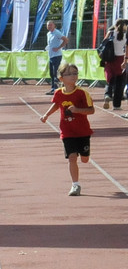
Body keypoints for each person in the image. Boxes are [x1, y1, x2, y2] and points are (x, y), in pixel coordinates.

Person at [40, 62, 93, 196]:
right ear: (61, 78)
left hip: (82, 132)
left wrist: (77, 110)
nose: (73, 76)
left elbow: (91, 110)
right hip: (67, 131)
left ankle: (85, 155)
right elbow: (56, 105)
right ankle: (75, 185)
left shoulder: (82, 93)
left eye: (75, 73)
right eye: (69, 74)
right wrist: (46, 115)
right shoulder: (58, 93)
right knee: (72, 157)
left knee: (85, 159)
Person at [102, 19, 127, 110]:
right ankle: (117, 105)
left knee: (110, 79)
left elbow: (103, 45)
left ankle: (108, 94)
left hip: (110, 58)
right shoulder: (125, 35)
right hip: (121, 59)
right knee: (120, 82)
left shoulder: (111, 33)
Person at [44, 21, 68, 95]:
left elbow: (66, 40)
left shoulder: (57, 32)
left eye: (51, 25)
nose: (49, 26)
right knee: (51, 73)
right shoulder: (48, 34)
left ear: (54, 25)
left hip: (57, 55)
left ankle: (58, 89)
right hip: (51, 56)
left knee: (55, 73)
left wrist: (58, 48)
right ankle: (53, 88)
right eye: (48, 25)